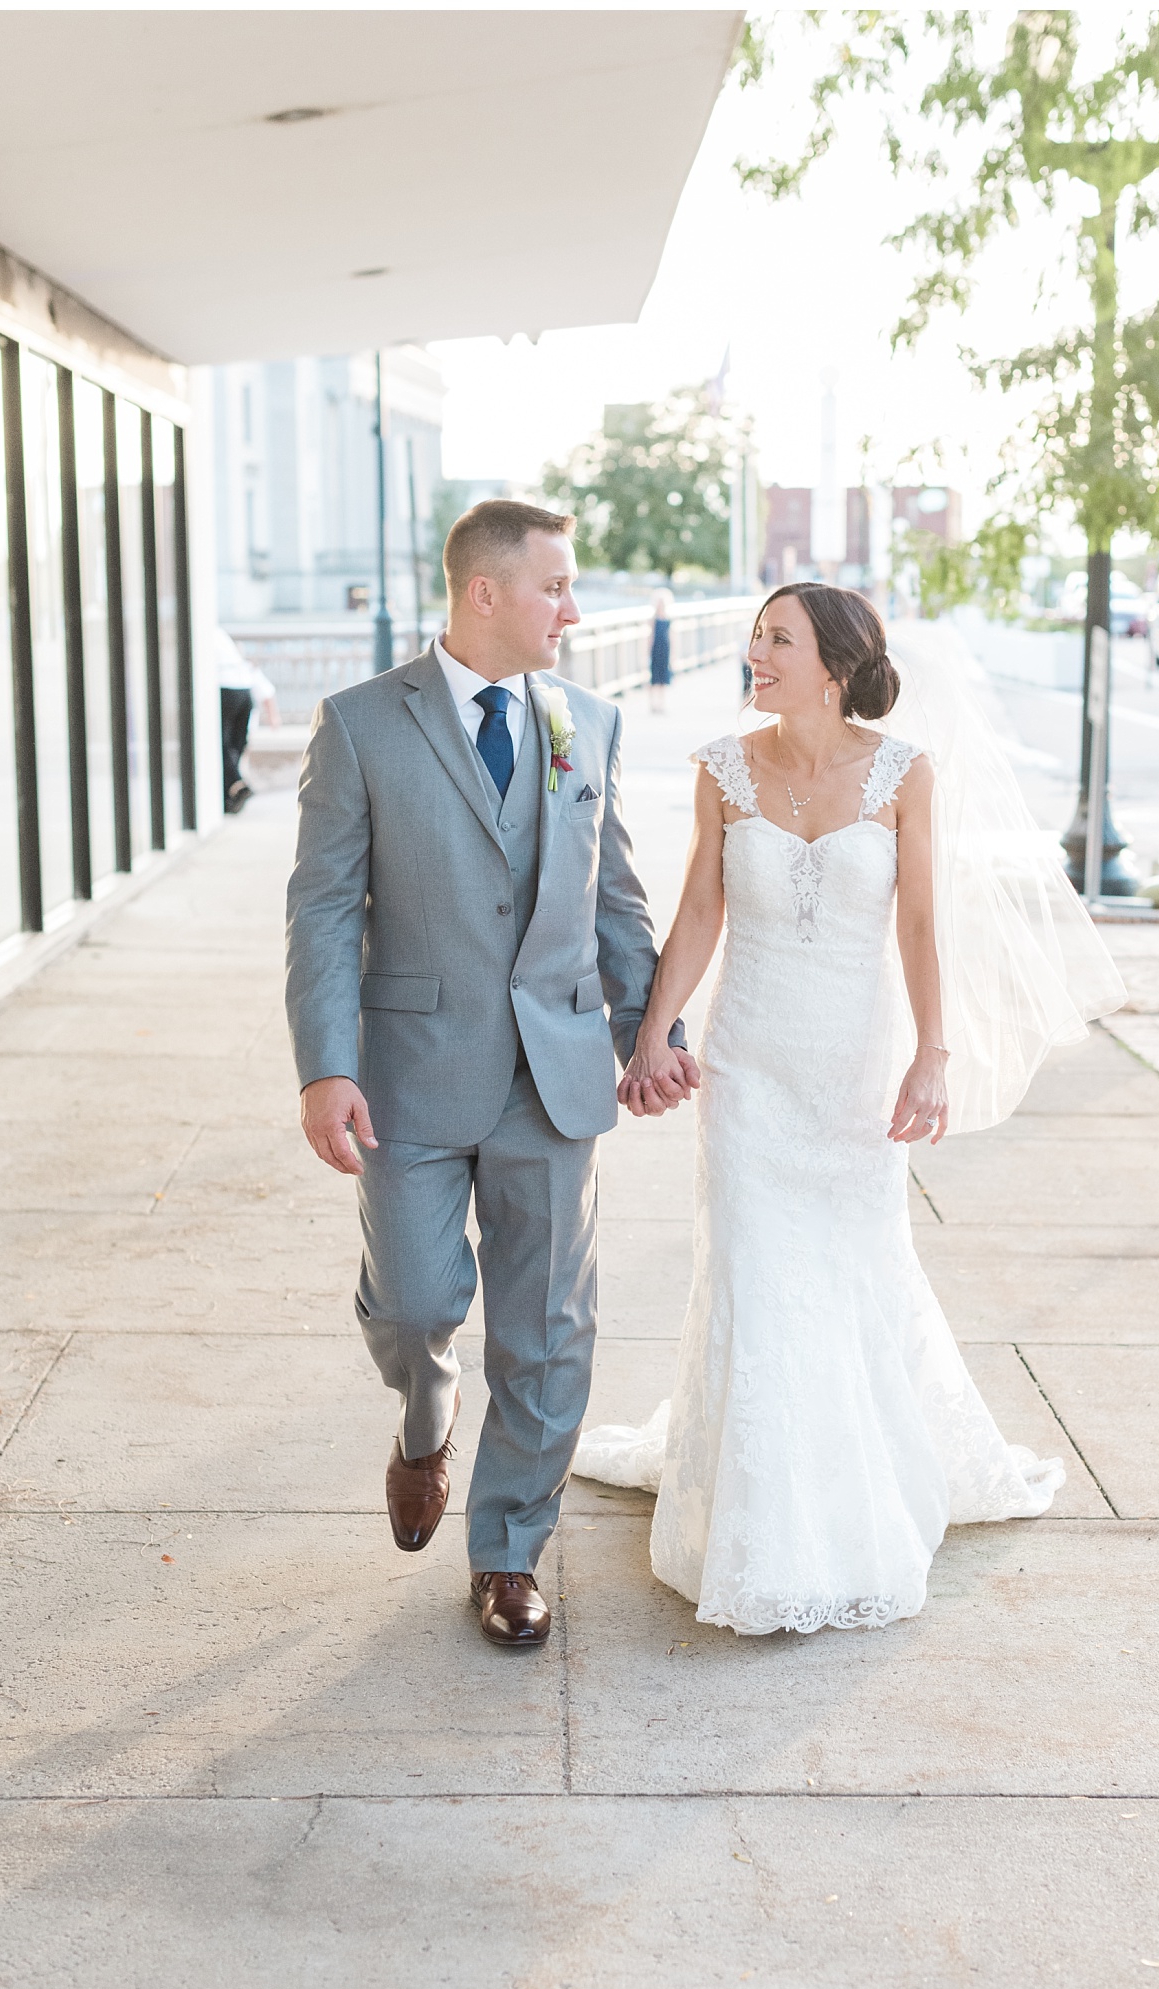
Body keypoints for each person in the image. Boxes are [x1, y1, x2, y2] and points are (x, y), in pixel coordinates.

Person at [574, 581, 1124, 1635]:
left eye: (774, 639)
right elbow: (698, 908)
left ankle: (849, 1504)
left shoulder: (903, 774)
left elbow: (918, 923)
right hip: (746, 1066)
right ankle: (758, 1529)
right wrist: (652, 1031)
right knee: (753, 1272)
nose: (753, 653)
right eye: (753, 638)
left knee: (847, 1273)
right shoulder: (720, 769)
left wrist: (932, 1054)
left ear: (831, 664)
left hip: (852, 1070)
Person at [285, 501, 697, 1649]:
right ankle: (424, 1420)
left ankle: (507, 1550)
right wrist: (325, 1068)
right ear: (485, 593)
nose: (574, 608)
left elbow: (612, 900)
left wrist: (648, 1031)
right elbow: (321, 908)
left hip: (554, 1073)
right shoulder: (363, 724)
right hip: (407, 1075)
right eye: (556, 587)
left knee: (549, 1326)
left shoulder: (590, 724)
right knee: (416, 1300)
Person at [217, 628, 279, 814]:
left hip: (223, 688)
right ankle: (231, 792)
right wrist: (274, 717)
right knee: (235, 746)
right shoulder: (221, 635)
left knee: (221, 745)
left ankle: (236, 785)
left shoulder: (202, 631)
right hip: (244, 690)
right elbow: (268, 692)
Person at [648, 585, 673, 714]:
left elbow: (671, 636)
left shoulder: (668, 618)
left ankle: (662, 703)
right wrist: (647, 651)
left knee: (664, 677)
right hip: (655, 649)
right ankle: (653, 703)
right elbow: (650, 635)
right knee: (654, 677)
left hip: (665, 649)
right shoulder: (653, 619)